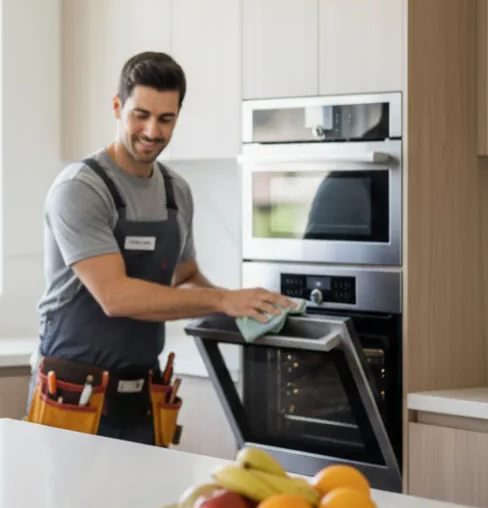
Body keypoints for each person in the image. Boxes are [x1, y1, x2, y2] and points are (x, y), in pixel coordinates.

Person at [34, 51, 294, 443]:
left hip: (144, 396)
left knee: (144, 506)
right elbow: (115, 297)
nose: (153, 131)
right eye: (141, 115)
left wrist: (252, 308)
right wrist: (222, 300)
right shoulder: (81, 189)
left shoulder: (177, 193)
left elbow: (183, 279)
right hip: (74, 397)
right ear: (118, 107)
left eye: (166, 118)